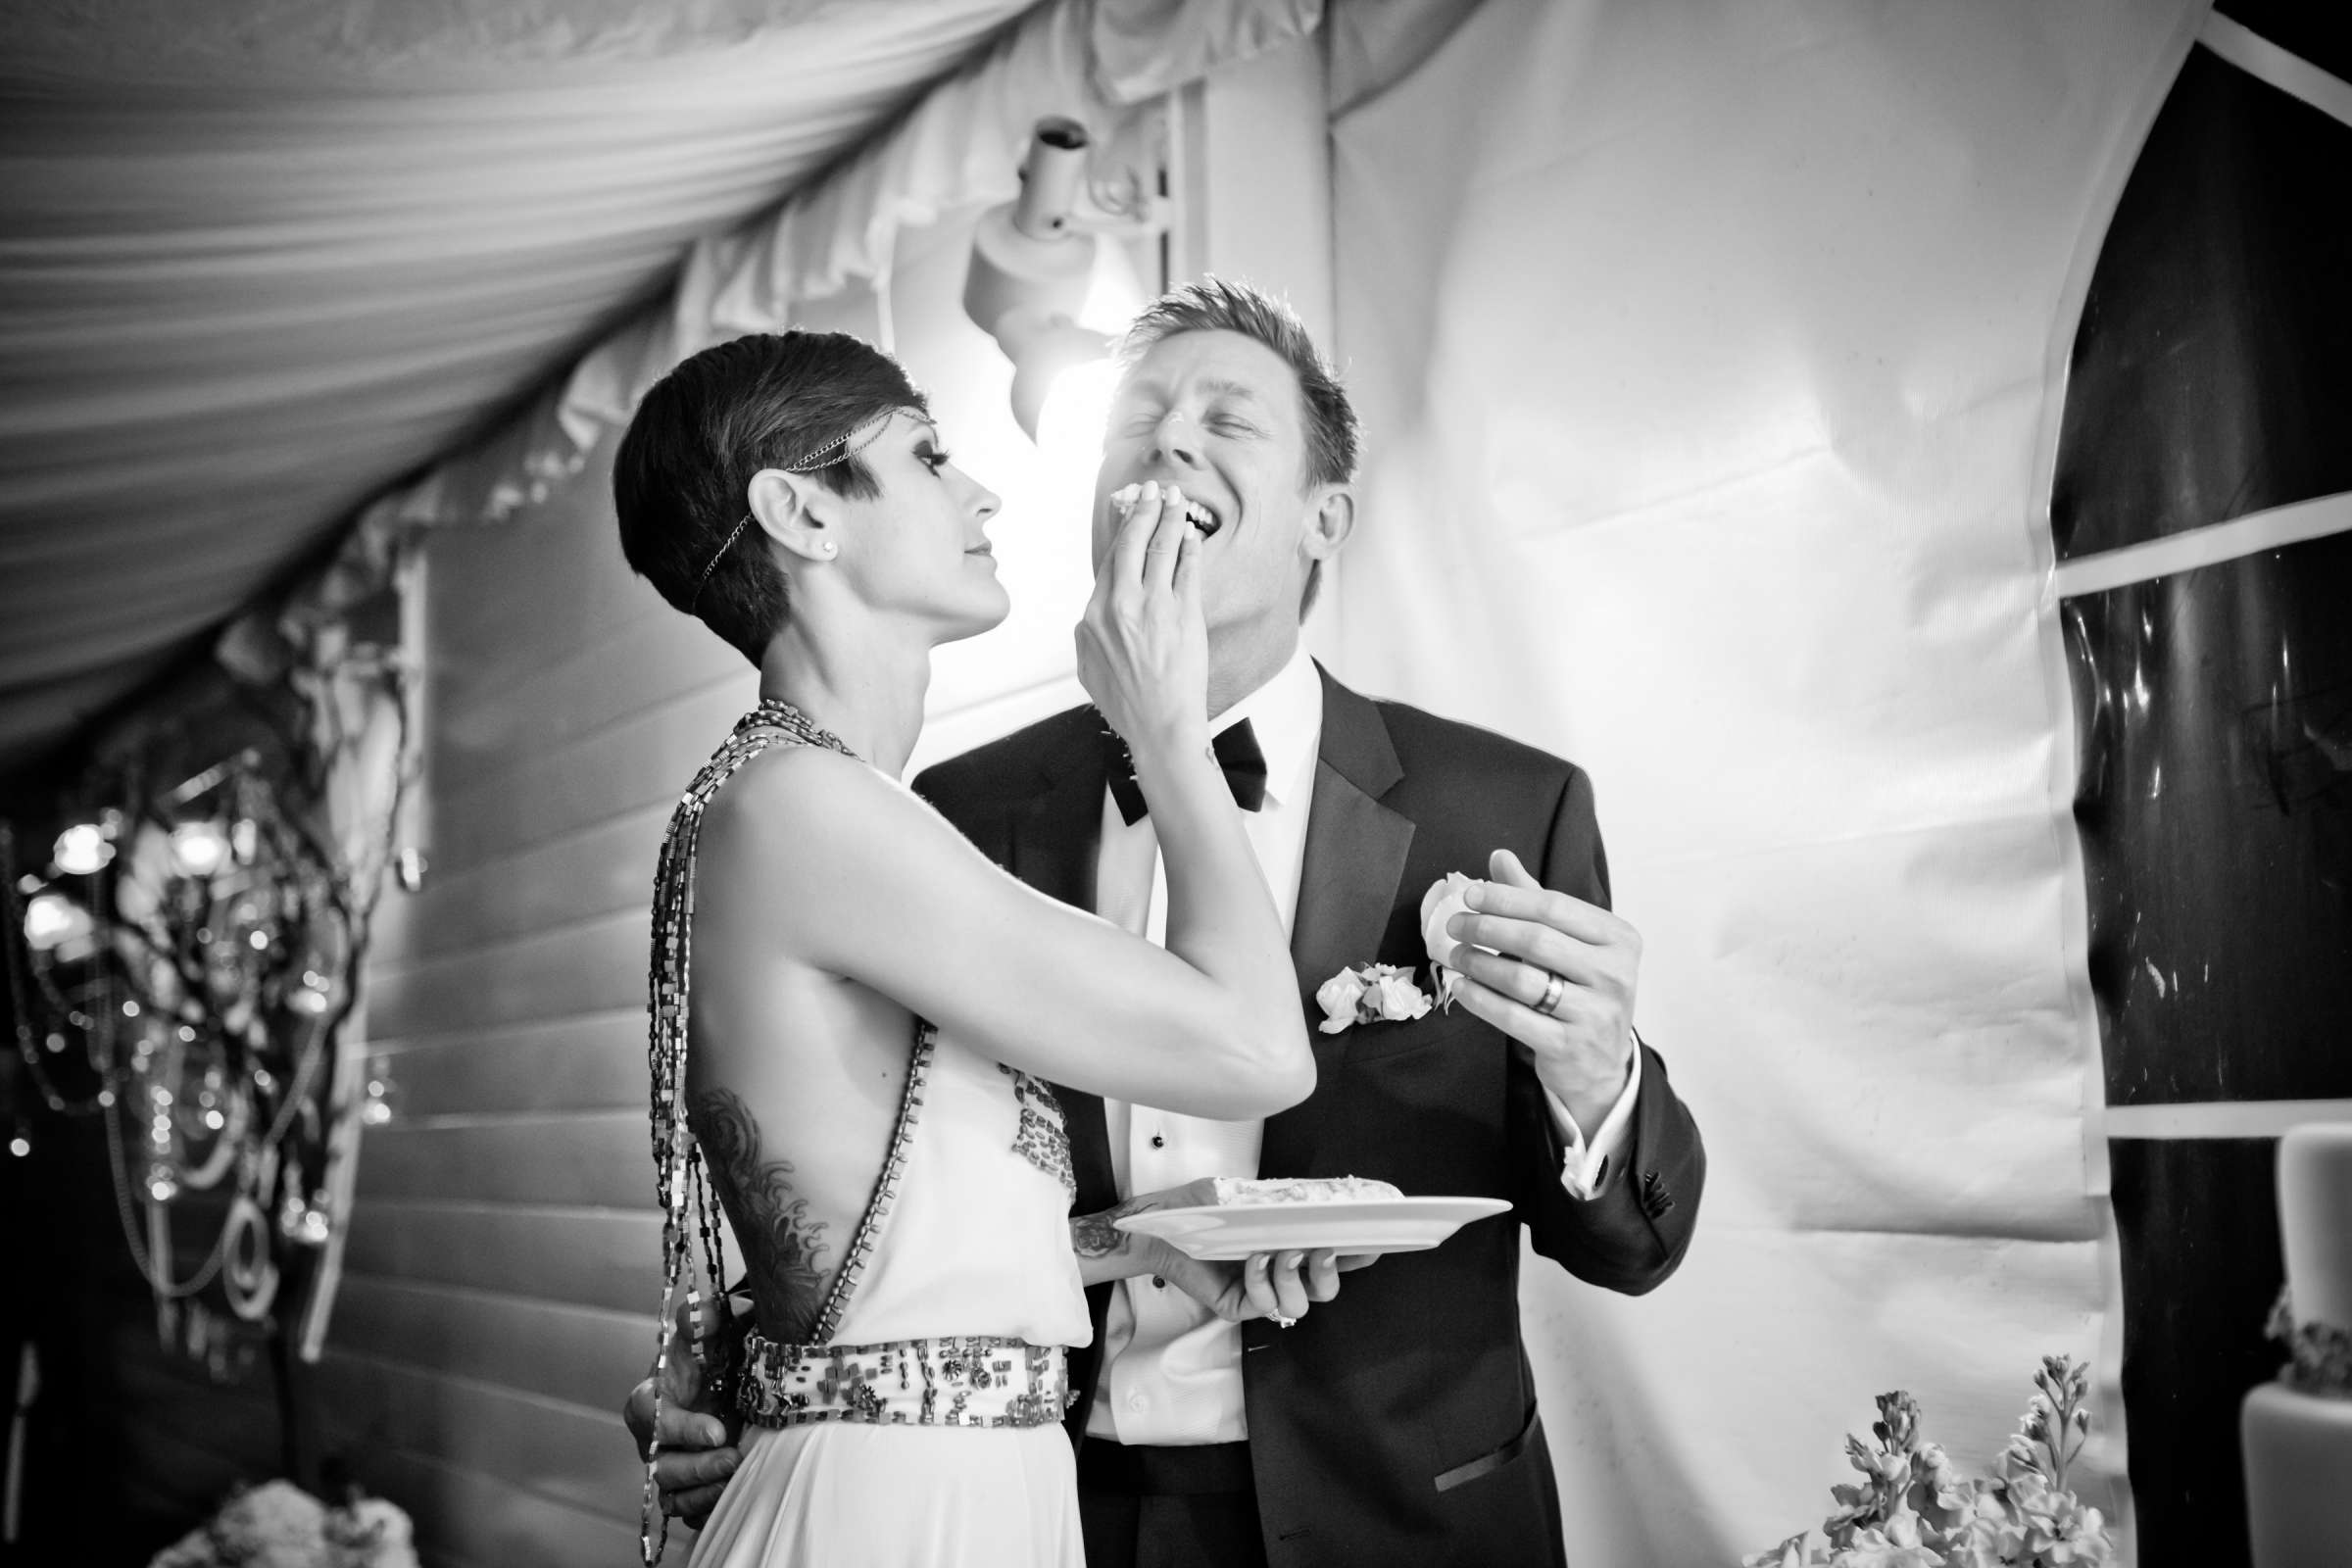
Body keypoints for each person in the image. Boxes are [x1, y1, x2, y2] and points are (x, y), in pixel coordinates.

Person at [634, 280, 1707, 1566]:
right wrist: (766, 1377)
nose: (1168, 443)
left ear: (1327, 519)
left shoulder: (1506, 805)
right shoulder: (953, 809)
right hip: (1067, 1516)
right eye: (1136, 419)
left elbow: (1634, 1249)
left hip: (1404, 1518)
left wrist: (1598, 1078)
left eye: (1225, 419)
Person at [612, 328, 1326, 1568]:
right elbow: (1260, 1046)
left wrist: (1164, 1240)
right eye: (930, 456)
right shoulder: (807, 808)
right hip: (898, 1511)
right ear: (801, 512)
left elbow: (908, 1254)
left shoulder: (815, 802)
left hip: (954, 1485)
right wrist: (1167, 725)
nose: (982, 490)